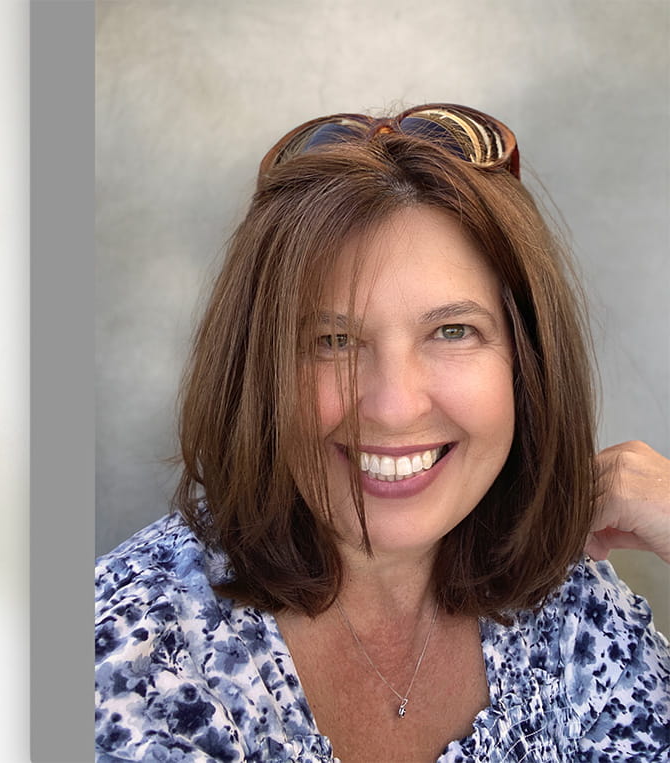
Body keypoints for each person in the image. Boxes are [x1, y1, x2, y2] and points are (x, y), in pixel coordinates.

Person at [95, 104, 670, 762]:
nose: (395, 406)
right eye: (334, 340)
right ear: (259, 372)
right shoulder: (130, 658)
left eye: (453, 330)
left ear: (527, 360)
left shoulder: (571, 606)